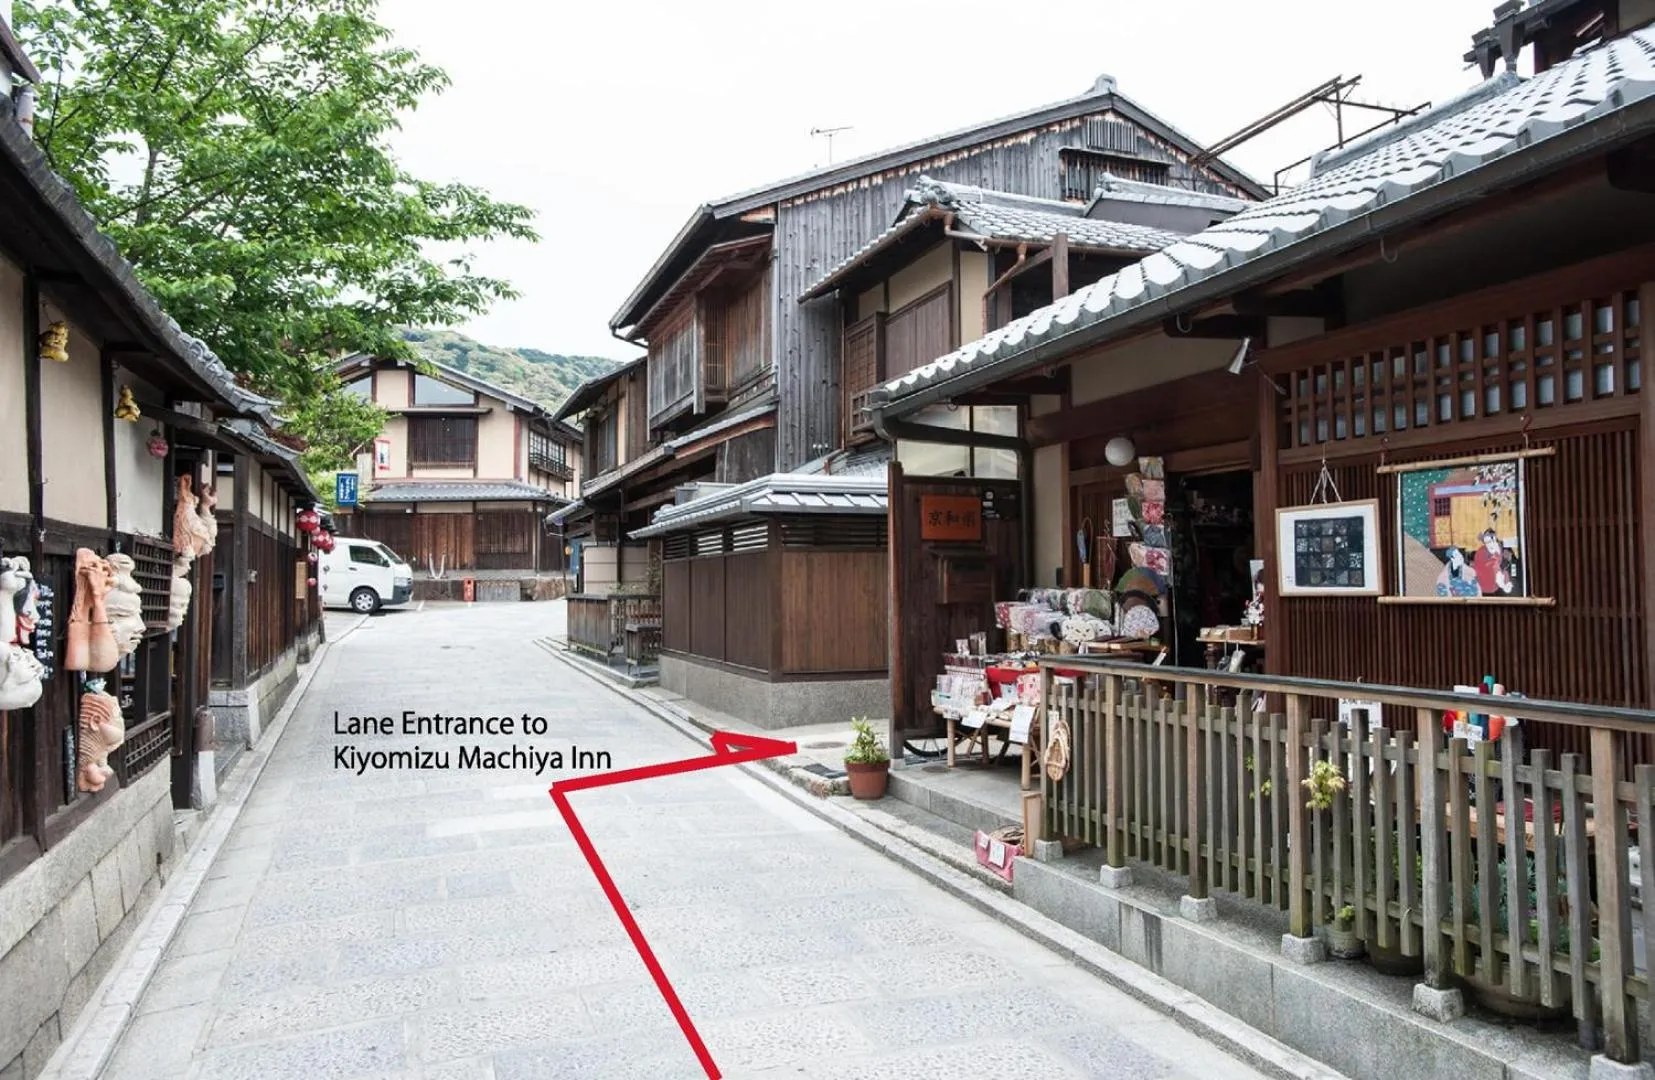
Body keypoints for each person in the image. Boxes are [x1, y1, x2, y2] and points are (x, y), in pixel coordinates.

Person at [1471, 529, 1513, 595]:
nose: (1489, 544)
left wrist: (1506, 581)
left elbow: (1507, 568)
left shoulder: (1504, 551)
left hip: (1498, 589)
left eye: (1491, 540)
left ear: (1495, 539)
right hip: (1483, 587)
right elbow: (1478, 568)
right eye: (1486, 542)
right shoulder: (1481, 552)